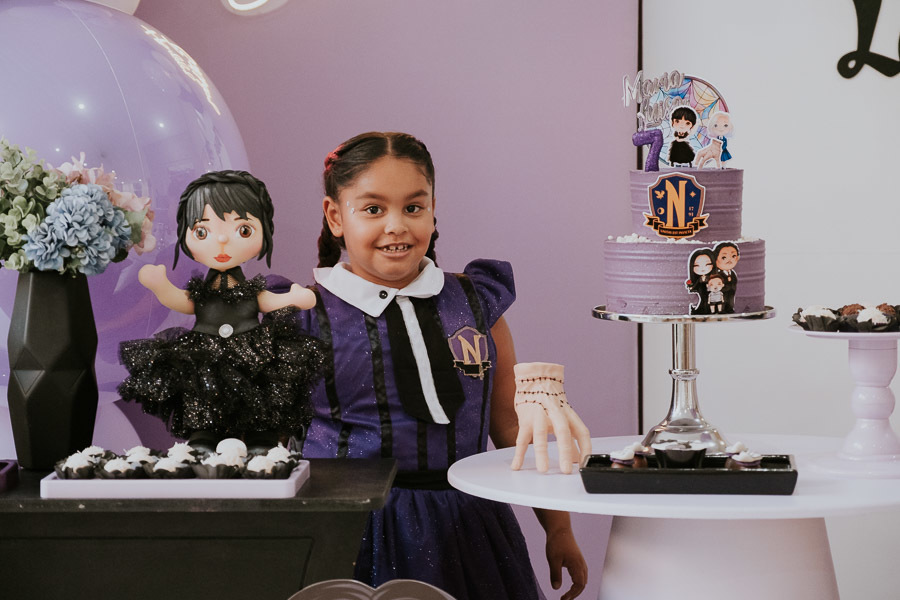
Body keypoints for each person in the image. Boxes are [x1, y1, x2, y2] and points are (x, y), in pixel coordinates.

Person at [291, 132, 587, 600]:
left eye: (413, 207)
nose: (396, 226)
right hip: (345, 534)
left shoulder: (473, 302)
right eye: (373, 209)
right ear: (335, 216)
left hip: (467, 529)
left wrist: (558, 527)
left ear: (433, 209)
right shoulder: (304, 314)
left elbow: (511, 425)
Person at [118, 170, 325, 452]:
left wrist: (295, 298)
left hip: (251, 348)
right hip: (204, 349)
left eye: (243, 230)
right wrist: (161, 287)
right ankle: (204, 436)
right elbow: (184, 301)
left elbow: (265, 301)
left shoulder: (252, 289)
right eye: (202, 232)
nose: (223, 242)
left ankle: (260, 438)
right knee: (203, 391)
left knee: (256, 392)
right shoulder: (202, 290)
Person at [685, 247, 715, 315]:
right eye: (697, 265)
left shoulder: (712, 279)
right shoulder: (699, 280)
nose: (702, 268)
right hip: (702, 294)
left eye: (707, 264)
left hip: (712, 296)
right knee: (703, 301)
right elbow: (696, 286)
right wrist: (691, 287)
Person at [713, 241, 740, 314]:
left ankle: (729, 309)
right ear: (715, 259)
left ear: (738, 258)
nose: (729, 260)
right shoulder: (716, 275)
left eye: (733, 256)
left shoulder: (733, 274)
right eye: (724, 257)